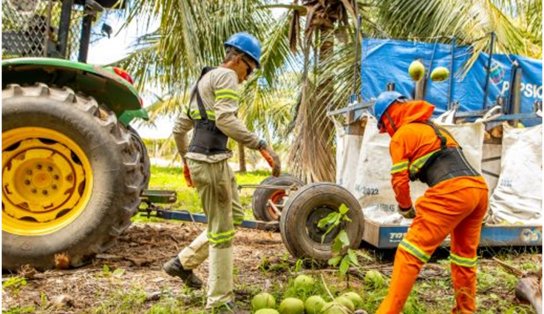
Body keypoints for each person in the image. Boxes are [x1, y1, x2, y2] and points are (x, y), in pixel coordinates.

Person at [164, 32, 281, 312]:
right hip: (211, 161)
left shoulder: (203, 80)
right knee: (221, 231)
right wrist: (262, 146)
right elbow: (226, 119)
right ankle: (219, 301)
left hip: (208, 160)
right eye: (250, 70)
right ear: (240, 60)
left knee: (236, 215)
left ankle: (182, 263)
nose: (247, 77)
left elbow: (180, 128)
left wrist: (185, 161)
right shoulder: (227, 77)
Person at [371, 91, 489, 313]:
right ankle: (466, 310)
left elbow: (399, 181)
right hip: (478, 189)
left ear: (389, 117)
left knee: (408, 254)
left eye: (383, 126)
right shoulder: (434, 128)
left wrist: (406, 208)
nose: (385, 132)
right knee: (464, 258)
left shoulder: (402, 135)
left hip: (452, 191)